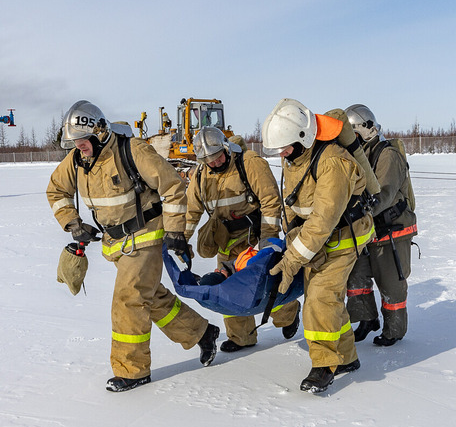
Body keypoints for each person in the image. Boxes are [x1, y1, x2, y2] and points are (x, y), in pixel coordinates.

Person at [47, 100, 220, 392]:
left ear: (99, 132)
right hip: (116, 243)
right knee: (149, 297)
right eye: (74, 142)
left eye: (83, 141)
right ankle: (202, 332)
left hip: (146, 236)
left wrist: (176, 232)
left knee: (128, 300)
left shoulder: (132, 150)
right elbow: (56, 190)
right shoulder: (77, 159)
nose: (79, 147)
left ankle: (132, 369)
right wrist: (73, 223)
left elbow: (173, 187)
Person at [261, 99, 374, 393]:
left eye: (284, 147)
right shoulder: (295, 158)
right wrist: (289, 236)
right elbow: (296, 204)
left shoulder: (332, 162)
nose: (281, 154)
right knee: (327, 298)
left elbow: (323, 220)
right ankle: (347, 358)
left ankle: (324, 365)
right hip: (320, 239)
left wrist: (291, 261)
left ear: (303, 137)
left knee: (320, 298)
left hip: (345, 236)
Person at [184, 126, 300, 351]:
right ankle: (241, 337)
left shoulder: (249, 163)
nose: (214, 163)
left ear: (225, 149)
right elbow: (191, 212)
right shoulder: (200, 176)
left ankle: (288, 315)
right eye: (208, 160)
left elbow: (270, 201)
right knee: (229, 290)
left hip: (255, 238)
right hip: (226, 241)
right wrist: (182, 240)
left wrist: (267, 240)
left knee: (267, 285)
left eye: (217, 157)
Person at [344, 104, 418, 346]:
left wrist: (359, 212)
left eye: (353, 134)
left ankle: (394, 330)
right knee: (357, 277)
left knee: (391, 285)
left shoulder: (387, 155)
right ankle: (367, 319)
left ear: (368, 129)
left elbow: (383, 195)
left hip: (391, 230)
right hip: (367, 230)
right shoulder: (358, 156)